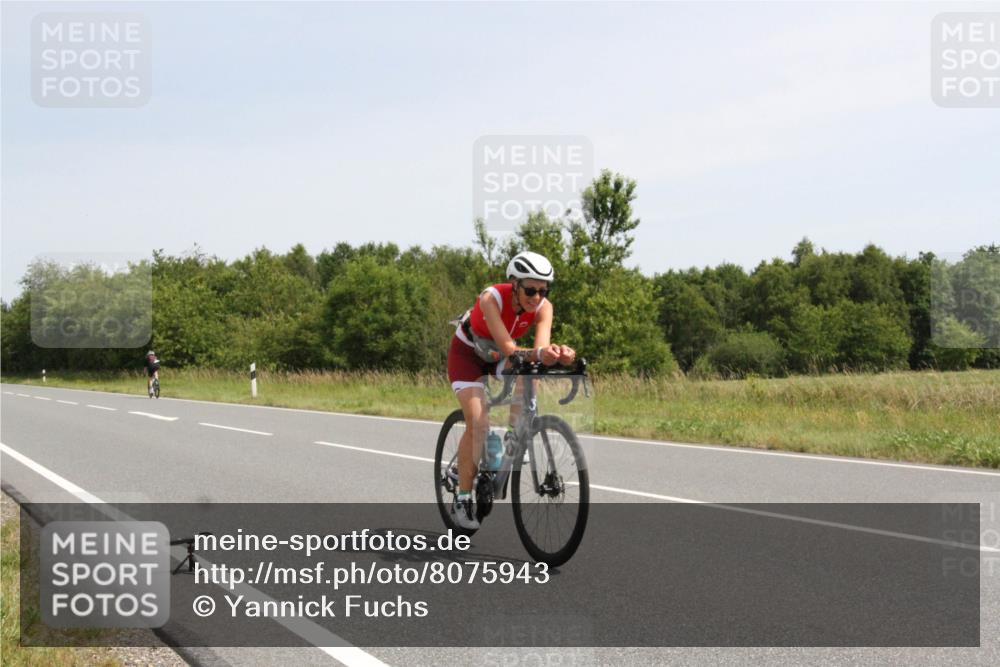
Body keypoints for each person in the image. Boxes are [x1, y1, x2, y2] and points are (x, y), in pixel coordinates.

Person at [446, 251, 576, 529]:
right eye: (530, 289)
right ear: (514, 284)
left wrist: (559, 354)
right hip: (468, 355)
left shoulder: (544, 308)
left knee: (531, 374)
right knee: (478, 423)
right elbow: (509, 348)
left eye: (543, 290)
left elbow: (538, 351)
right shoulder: (491, 298)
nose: (537, 297)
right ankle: (463, 499)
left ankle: (511, 438)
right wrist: (540, 353)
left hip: (499, 357)